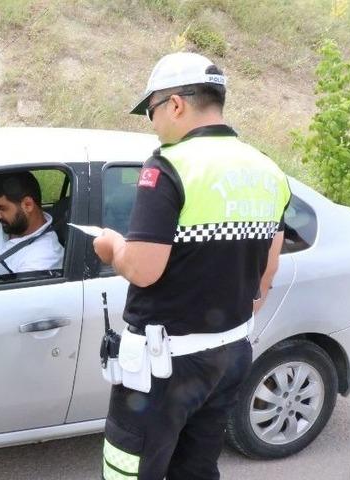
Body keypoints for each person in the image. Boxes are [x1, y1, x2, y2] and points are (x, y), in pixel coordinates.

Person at [93, 52, 291, 480]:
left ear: (176, 104)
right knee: (197, 467)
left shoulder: (168, 167)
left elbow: (144, 269)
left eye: (151, 110)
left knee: (128, 469)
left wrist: (111, 247)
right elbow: (266, 276)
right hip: (231, 353)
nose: (153, 122)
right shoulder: (269, 171)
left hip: (163, 365)